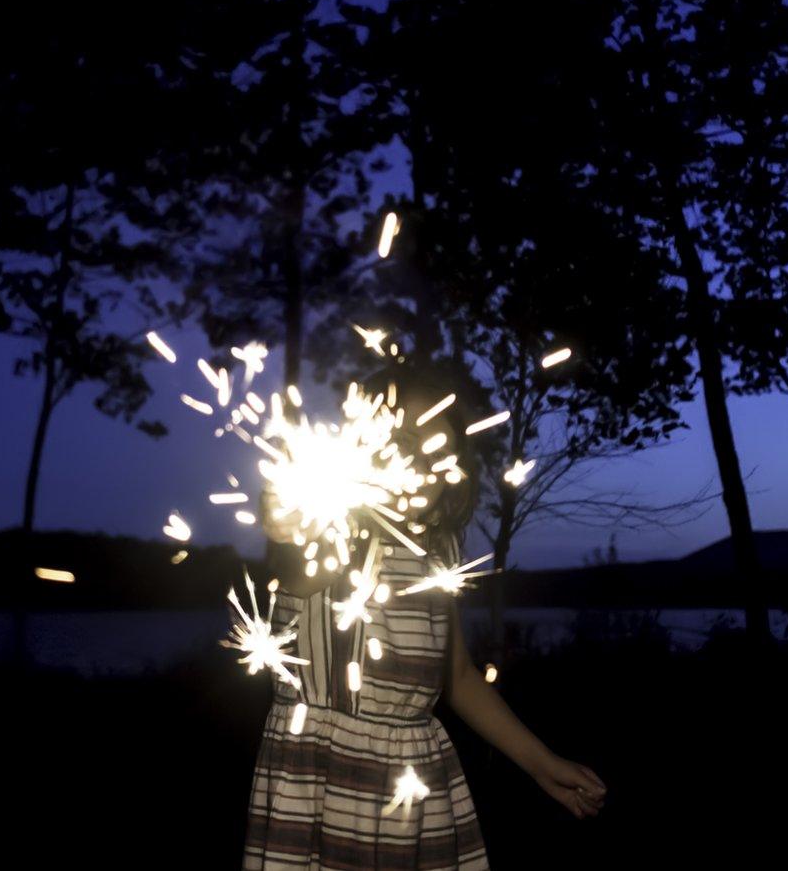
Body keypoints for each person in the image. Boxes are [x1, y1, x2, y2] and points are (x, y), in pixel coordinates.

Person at [242, 363, 607, 869]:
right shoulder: (334, 536)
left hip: (414, 794)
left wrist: (541, 764)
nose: (417, 457)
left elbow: (456, 677)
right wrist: (289, 510)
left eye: (437, 449)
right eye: (403, 438)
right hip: (322, 787)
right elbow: (296, 544)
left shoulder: (438, 561)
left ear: (453, 479)